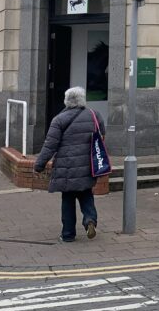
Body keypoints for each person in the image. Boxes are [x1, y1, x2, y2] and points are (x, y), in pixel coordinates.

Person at [34, 87, 106, 243]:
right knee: (86, 194)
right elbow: (102, 136)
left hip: (66, 167)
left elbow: (49, 146)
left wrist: (39, 165)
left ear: (66, 101)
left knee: (68, 200)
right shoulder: (94, 115)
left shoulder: (59, 119)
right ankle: (90, 220)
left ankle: (68, 234)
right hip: (87, 165)